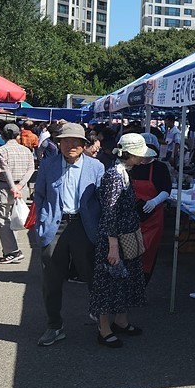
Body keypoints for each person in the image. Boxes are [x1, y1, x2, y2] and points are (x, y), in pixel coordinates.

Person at [33, 122, 106, 347]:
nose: (70, 146)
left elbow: (101, 200)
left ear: (84, 145)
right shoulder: (48, 165)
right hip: (56, 225)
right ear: (59, 143)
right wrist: (42, 221)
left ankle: (102, 320)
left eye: (76, 142)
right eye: (65, 141)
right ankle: (54, 325)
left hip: (84, 225)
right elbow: (40, 195)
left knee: (92, 273)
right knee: (52, 279)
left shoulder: (96, 167)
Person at [92, 134, 153, 347]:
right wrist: (113, 245)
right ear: (130, 154)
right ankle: (104, 328)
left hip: (124, 236)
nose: (142, 158)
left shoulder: (123, 172)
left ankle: (120, 320)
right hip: (115, 239)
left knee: (122, 282)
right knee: (109, 284)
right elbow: (109, 212)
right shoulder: (114, 176)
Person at [0, 124, 36, 264]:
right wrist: (20, 185)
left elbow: (5, 170)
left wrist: (12, 187)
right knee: (14, 218)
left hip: (5, 187)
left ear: (3, 135)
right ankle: (11, 248)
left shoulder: (1, 150)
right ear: (18, 135)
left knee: (3, 219)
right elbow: (31, 169)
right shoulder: (26, 151)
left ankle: (12, 251)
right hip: (20, 187)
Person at [131, 132, 171, 285]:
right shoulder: (131, 166)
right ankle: (129, 286)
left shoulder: (160, 168)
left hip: (153, 218)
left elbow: (166, 189)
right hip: (132, 216)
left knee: (148, 253)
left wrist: (154, 201)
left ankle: (142, 286)